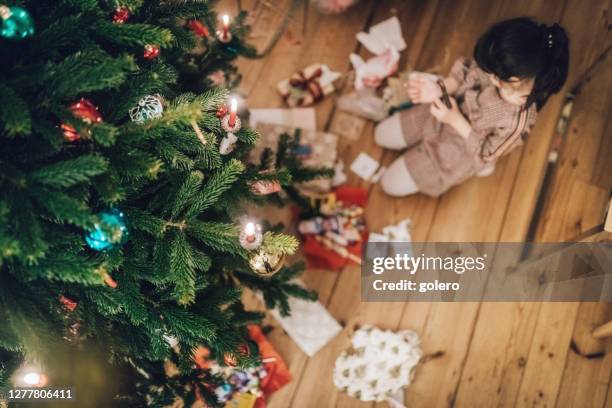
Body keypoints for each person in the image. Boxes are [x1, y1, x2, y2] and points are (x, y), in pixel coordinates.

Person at [374, 18, 569, 197]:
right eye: (490, 74)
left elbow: (484, 154)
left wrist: (454, 119)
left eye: (502, 83)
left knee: (389, 184)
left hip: (459, 149)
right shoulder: (496, 62)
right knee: (380, 134)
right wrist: (438, 87)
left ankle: (478, 170)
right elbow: (462, 76)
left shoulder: (515, 122)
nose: (492, 80)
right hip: (441, 109)